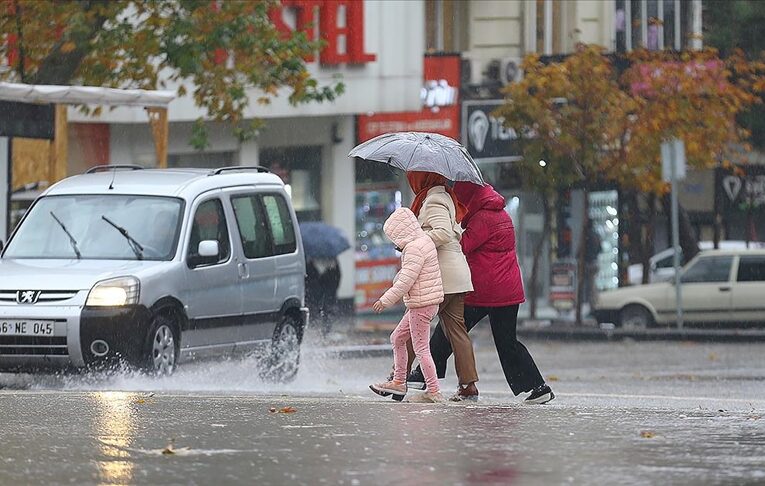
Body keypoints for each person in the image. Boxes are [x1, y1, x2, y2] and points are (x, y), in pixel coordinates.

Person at [408, 182, 555, 404]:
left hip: (485, 291)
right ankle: (538, 386)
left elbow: (462, 246)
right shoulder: (501, 214)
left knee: (450, 328)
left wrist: (449, 229)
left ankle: (422, 376)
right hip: (508, 292)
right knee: (507, 343)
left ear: (469, 199)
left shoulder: (482, 219)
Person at [404, 171, 479, 401]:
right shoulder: (447, 196)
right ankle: (468, 386)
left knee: (410, 325)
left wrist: (415, 243)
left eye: (414, 177)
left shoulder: (434, 199)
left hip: (442, 276)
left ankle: (399, 377)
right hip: (457, 275)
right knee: (457, 331)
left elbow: (443, 233)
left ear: (423, 178)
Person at [369, 207, 445, 403]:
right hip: (426, 302)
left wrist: (385, 300)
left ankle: (434, 390)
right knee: (397, 338)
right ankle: (399, 382)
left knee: (421, 349)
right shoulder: (424, 240)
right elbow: (410, 275)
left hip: (421, 304)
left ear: (400, 233)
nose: (394, 243)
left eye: (394, 238)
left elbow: (406, 281)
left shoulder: (413, 248)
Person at [305, 256, 341, 335]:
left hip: (325, 291)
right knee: (317, 308)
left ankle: (325, 329)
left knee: (326, 309)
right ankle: (318, 328)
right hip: (317, 292)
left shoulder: (332, 264)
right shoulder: (311, 263)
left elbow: (337, 277)